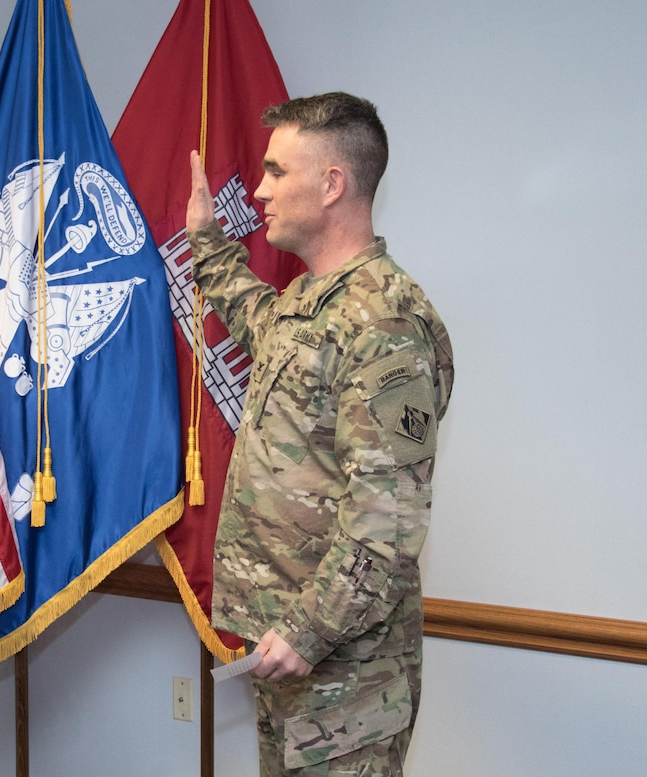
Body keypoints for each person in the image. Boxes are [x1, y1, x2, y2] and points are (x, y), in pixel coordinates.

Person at [185, 92, 454, 776]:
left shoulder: (384, 324)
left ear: (333, 183)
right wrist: (207, 243)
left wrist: (307, 630)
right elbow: (257, 319)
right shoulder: (311, 302)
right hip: (295, 659)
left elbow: (385, 526)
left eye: (277, 171)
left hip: (347, 678)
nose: (260, 188)